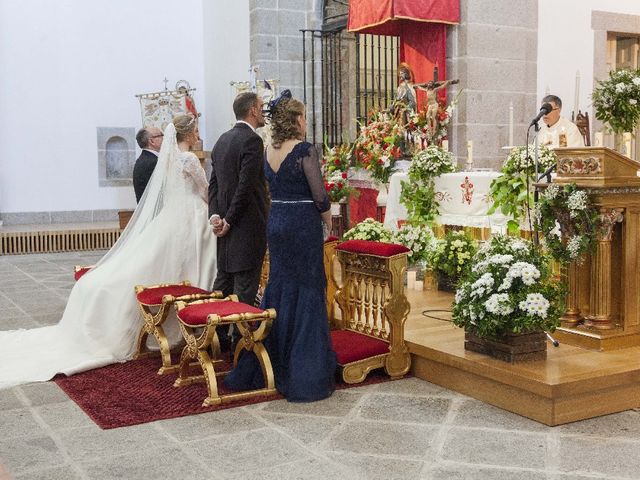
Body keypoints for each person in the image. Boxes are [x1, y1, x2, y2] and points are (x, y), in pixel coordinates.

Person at [0, 114, 216, 389]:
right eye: (196, 130)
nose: (198, 134)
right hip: (192, 215)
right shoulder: (188, 159)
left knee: (161, 260)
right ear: (188, 133)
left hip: (172, 216)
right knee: (188, 259)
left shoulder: (169, 159)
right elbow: (205, 191)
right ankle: (195, 309)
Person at [224, 90, 337, 402]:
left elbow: (270, 187)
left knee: (280, 287)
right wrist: (329, 221)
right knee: (308, 288)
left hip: (278, 222)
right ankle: (305, 371)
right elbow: (320, 196)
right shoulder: (304, 150)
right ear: (297, 120)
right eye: (303, 116)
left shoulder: (267, 151)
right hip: (301, 223)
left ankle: (270, 362)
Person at [208, 92, 269, 349]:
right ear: (253, 110)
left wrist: (216, 217)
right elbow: (245, 186)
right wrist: (230, 220)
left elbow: (214, 185)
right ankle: (239, 345)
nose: (264, 112)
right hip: (246, 227)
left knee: (223, 283)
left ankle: (216, 338)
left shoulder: (222, 140)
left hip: (225, 227)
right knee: (244, 287)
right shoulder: (252, 141)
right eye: (262, 107)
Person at [133, 126, 164, 202]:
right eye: (160, 135)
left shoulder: (146, 158)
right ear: (151, 141)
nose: (164, 138)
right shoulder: (152, 162)